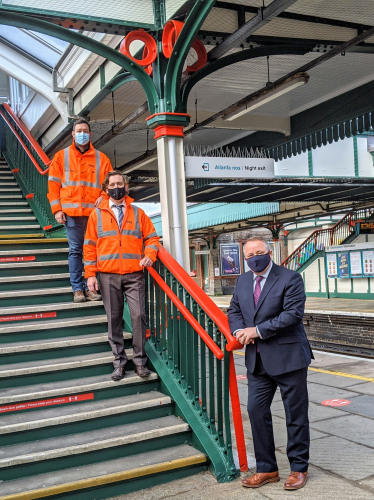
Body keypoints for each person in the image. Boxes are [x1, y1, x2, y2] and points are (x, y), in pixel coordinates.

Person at [228, 236, 313, 491]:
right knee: (255, 412)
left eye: (259, 252)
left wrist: (257, 331)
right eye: (249, 256)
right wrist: (238, 332)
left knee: (295, 415)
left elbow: (292, 315)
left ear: (270, 252)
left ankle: (299, 468)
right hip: (257, 361)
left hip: (289, 358)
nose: (254, 258)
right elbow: (233, 311)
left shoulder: (290, 278)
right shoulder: (242, 281)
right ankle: (267, 469)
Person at [83, 170, 160, 381]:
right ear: (106, 189)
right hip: (107, 275)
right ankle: (119, 363)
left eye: (120, 184)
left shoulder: (138, 213)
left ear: (126, 187)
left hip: (134, 273)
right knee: (114, 319)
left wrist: (149, 256)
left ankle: (139, 362)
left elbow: (152, 239)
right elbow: (89, 247)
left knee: (138, 316)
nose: (116, 187)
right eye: (112, 184)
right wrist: (90, 275)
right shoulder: (96, 215)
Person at [47, 118, 113, 303]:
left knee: (93, 251)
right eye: (79, 130)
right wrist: (57, 210)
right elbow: (53, 186)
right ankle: (78, 289)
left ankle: (91, 288)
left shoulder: (102, 158)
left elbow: (110, 184)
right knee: (76, 250)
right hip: (72, 214)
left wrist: (105, 196)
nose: (82, 133)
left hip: (94, 214)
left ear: (90, 134)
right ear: (73, 134)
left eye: (85, 130)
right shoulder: (61, 157)